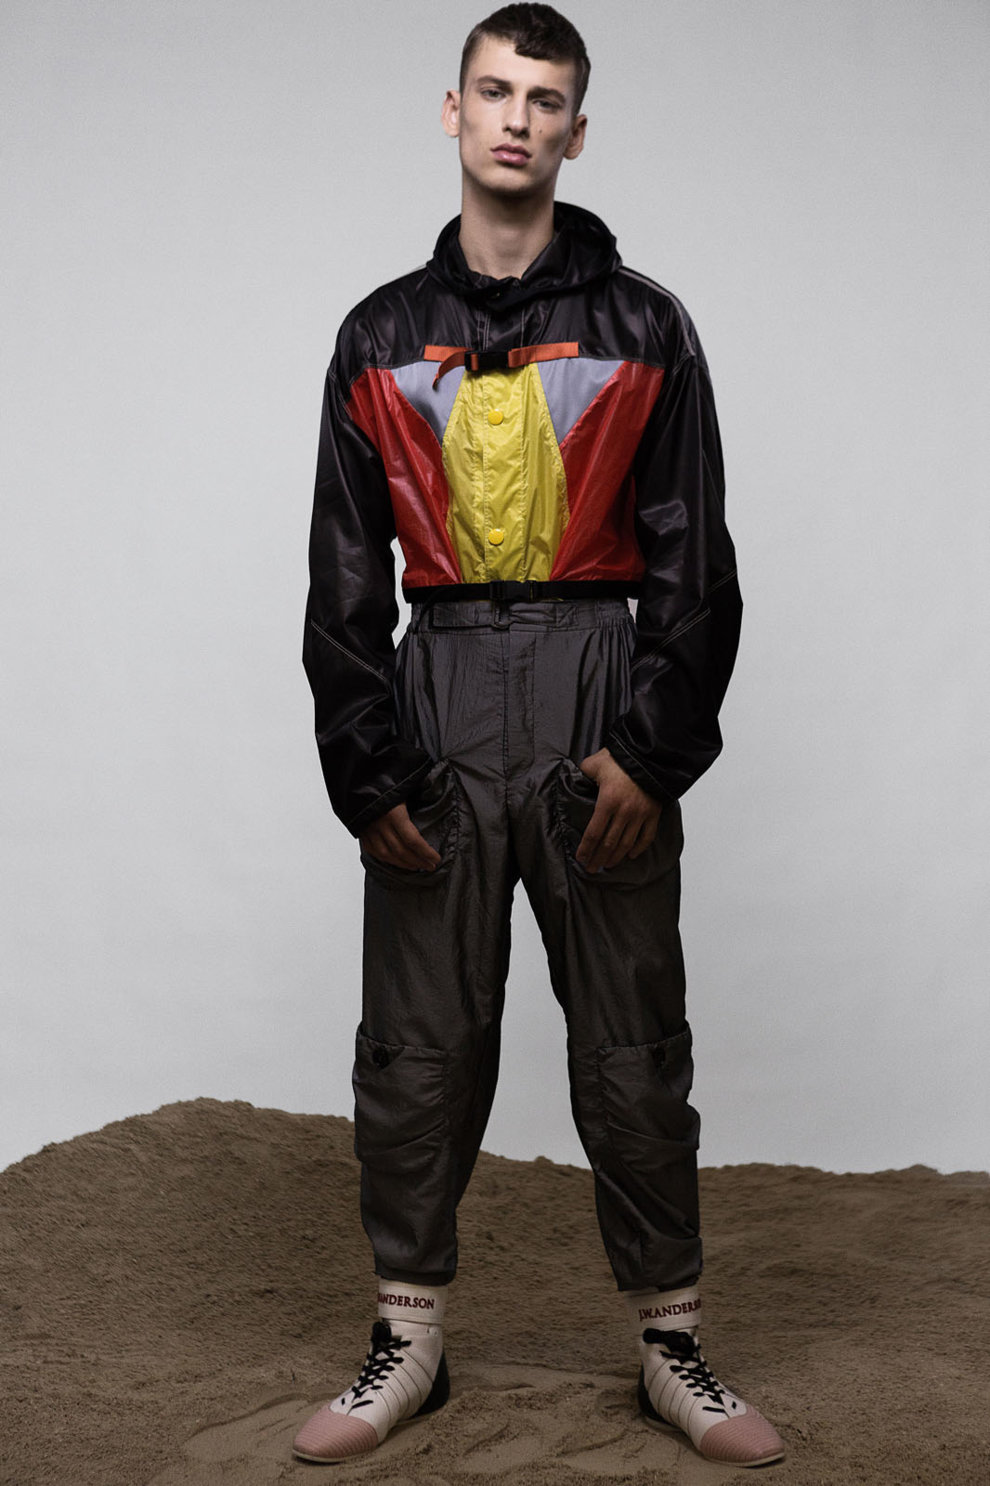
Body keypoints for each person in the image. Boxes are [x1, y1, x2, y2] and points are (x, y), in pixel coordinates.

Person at [296, 3, 784, 1469]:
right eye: (494, 92)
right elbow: (340, 579)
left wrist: (650, 751)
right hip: (437, 691)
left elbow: (697, 563)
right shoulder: (378, 336)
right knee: (419, 1047)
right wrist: (369, 767)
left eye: (545, 98)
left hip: (597, 685)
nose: (517, 118)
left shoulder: (647, 325)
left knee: (631, 1044)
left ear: (578, 129)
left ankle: (671, 1342)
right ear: (451, 112)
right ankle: (410, 1338)